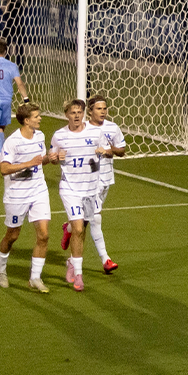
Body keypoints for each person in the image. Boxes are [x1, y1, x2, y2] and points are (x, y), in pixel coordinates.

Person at [0, 102, 57, 292]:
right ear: (26, 120)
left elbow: (40, 161)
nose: (40, 118)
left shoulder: (40, 136)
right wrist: (28, 163)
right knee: (13, 235)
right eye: (36, 116)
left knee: (44, 235)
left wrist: (50, 158)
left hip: (38, 190)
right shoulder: (13, 141)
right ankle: (1, 270)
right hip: (17, 195)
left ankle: (35, 278)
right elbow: (4, 169)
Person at [47, 99, 107, 292]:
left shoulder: (96, 133)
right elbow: (51, 157)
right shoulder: (59, 136)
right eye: (73, 112)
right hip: (70, 189)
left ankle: (72, 262)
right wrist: (55, 158)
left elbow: (108, 153)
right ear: (66, 114)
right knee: (79, 229)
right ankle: (79, 276)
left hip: (90, 189)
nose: (77, 115)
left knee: (81, 229)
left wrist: (103, 152)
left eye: (79, 112)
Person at [78, 94, 128, 274]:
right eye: (99, 109)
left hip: (106, 179)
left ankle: (68, 228)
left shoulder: (112, 128)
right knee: (96, 218)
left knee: (83, 221)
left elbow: (121, 151)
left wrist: (108, 150)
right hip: (89, 181)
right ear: (90, 111)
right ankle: (105, 259)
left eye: (105, 108)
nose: (103, 112)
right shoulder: (82, 130)